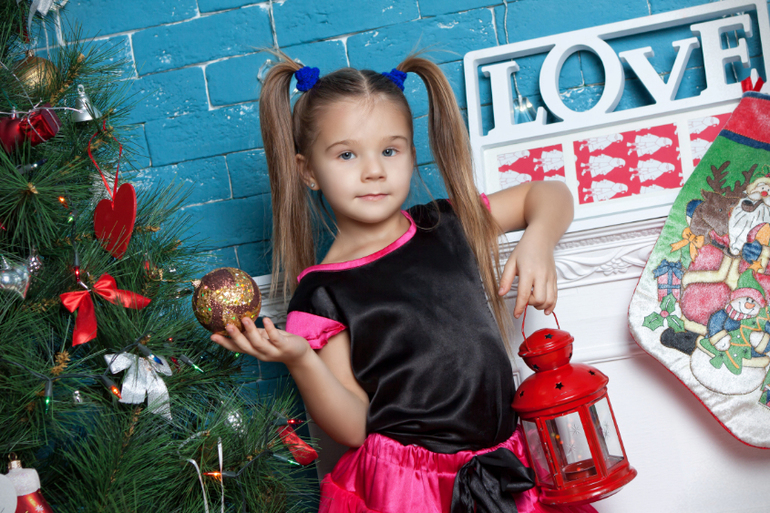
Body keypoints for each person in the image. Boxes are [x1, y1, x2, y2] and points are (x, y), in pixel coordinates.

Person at [212, 51, 595, 513]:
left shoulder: (447, 223)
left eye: (390, 150)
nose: (373, 170)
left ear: (412, 156)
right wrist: (301, 360)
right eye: (347, 154)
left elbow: (549, 192)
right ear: (308, 170)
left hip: (505, 466)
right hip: (412, 489)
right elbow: (355, 427)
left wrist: (538, 241)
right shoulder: (321, 295)